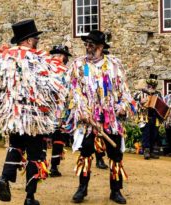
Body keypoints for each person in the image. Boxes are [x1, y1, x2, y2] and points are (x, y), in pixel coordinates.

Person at [0, 19, 67, 205]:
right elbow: (56, 82)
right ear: (30, 39)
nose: (37, 41)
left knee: (15, 145)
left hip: (13, 115)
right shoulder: (39, 58)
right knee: (35, 155)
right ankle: (30, 197)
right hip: (35, 117)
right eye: (35, 38)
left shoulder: (3, 57)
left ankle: (4, 178)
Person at [64, 30, 136, 204]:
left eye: (92, 45)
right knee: (86, 153)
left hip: (111, 120)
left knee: (116, 155)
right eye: (86, 44)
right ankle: (82, 189)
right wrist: (82, 109)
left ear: (101, 47)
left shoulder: (114, 65)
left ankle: (116, 190)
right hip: (89, 121)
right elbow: (74, 90)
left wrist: (122, 107)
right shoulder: (78, 65)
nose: (88, 48)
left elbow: (124, 91)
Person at [48, 45, 72, 177]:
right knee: (59, 138)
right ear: (63, 56)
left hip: (44, 111)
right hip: (60, 111)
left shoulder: (44, 68)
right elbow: (69, 91)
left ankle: (39, 166)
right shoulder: (66, 71)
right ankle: (53, 167)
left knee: (42, 138)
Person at [134, 74, 163, 160]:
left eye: (153, 86)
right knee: (146, 134)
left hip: (155, 117)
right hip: (144, 117)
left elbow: (162, 105)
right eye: (150, 86)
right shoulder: (140, 93)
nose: (151, 87)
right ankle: (146, 151)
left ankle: (152, 151)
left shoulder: (158, 94)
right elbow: (133, 103)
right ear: (147, 85)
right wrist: (140, 102)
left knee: (154, 134)